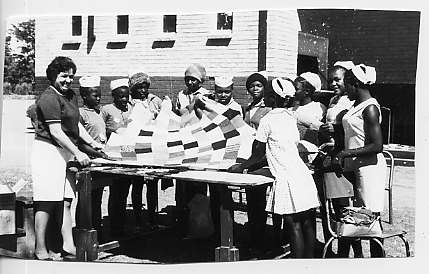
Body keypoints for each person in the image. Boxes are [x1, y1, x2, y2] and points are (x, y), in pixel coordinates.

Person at [229, 77, 320, 258]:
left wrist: (241, 166)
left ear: (271, 98)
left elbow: (258, 153)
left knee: (292, 223)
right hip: (302, 175)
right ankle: (310, 265)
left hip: (286, 178)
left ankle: (298, 267)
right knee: (307, 223)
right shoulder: (291, 116)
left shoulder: (268, 120)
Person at [32, 56, 102, 260]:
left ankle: (68, 245)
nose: (68, 80)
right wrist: (79, 152)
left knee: (66, 200)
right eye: (64, 76)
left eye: (71, 76)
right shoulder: (48, 97)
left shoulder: (70, 96)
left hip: (65, 152)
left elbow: (76, 125)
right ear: (53, 75)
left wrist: (93, 143)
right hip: (47, 151)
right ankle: (40, 248)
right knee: (46, 202)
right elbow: (56, 132)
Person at [332, 64, 387, 258]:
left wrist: (345, 153)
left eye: (346, 84)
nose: (345, 89)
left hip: (370, 170)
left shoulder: (370, 108)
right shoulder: (355, 105)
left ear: (355, 84)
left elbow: (377, 145)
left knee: (371, 222)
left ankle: (377, 264)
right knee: (356, 218)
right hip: (356, 167)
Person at [77, 75, 109, 241]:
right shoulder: (81, 114)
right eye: (94, 95)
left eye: (99, 94)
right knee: (86, 199)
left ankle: (96, 229)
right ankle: (83, 231)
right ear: (84, 96)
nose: (98, 97)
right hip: (88, 161)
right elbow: (80, 143)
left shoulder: (100, 112)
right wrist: (98, 154)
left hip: (101, 161)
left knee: (97, 198)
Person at [128, 71, 161, 229]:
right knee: (138, 182)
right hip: (135, 147)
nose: (142, 90)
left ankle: (153, 216)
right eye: (139, 87)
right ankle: (137, 218)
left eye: (145, 87)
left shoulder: (155, 101)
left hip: (153, 146)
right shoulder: (128, 102)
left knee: (153, 183)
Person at [101, 78, 134, 237]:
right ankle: (114, 226)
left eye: (126, 96)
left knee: (124, 190)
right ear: (113, 96)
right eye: (120, 97)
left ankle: (121, 225)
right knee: (115, 192)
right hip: (113, 155)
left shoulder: (132, 108)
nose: (124, 99)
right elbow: (101, 130)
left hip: (128, 154)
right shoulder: (106, 110)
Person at [291, 72, 327, 146]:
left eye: (296, 89)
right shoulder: (293, 108)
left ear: (307, 91)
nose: (293, 91)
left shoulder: (317, 107)